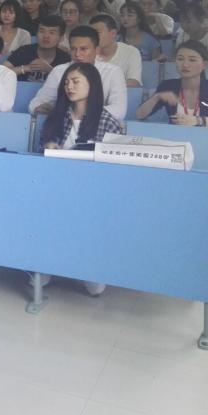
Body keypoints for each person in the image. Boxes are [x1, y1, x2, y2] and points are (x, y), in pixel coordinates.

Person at [38, 62, 124, 299]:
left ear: (92, 85)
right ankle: (44, 266)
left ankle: (88, 269)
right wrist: (49, 146)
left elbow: (113, 166)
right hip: (55, 186)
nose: (70, 87)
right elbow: (41, 152)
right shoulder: (58, 116)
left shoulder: (107, 121)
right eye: (67, 82)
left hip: (90, 191)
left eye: (76, 82)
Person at [29, 26, 128, 120]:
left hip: (99, 126)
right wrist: (39, 108)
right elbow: (36, 103)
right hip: (63, 125)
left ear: (97, 50)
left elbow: (119, 110)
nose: (77, 54)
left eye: (83, 49)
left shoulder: (113, 72)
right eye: (73, 49)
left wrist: (77, 114)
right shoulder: (59, 71)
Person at [136, 40, 208, 128]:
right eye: (180, 59)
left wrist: (197, 121)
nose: (185, 64)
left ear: (205, 65)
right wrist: (157, 97)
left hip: (205, 137)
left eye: (192, 60)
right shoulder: (168, 86)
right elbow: (140, 115)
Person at [5, 16, 70, 81]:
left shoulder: (65, 59)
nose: (46, 36)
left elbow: (69, 81)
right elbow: (2, 73)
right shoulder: (23, 51)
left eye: (51, 33)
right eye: (42, 31)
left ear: (61, 38)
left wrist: (50, 70)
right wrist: (25, 68)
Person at [89, 14, 142, 86]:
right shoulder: (87, 53)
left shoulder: (131, 52)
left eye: (97, 32)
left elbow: (134, 82)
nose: (92, 37)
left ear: (113, 33)